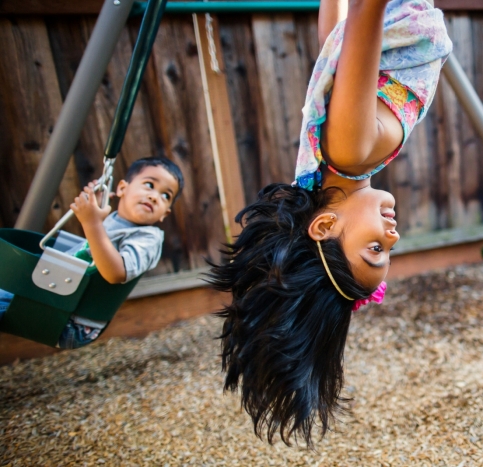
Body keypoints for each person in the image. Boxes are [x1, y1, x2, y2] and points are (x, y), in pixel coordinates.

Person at [208, 0, 451, 447]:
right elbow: (336, 40)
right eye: (389, 250)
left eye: (375, 249)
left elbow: (363, 10)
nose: (393, 236)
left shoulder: (351, 149)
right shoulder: (335, 162)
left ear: (322, 227)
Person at [0, 157, 184, 349]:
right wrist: (93, 209)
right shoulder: (112, 219)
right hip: (59, 299)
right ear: (122, 188)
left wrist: (91, 223)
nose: (155, 196)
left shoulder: (148, 238)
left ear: (165, 213)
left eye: (166, 196)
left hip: (74, 320)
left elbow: (116, 273)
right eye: (149, 185)